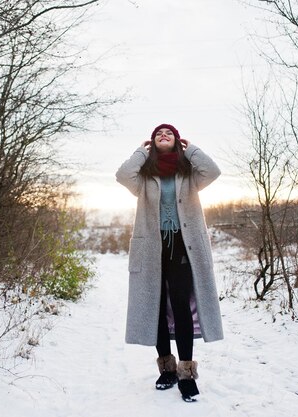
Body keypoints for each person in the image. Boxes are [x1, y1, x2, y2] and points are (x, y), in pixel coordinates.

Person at [115, 123, 224, 402]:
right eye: (158, 134)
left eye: (169, 134)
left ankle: (187, 373)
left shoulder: (188, 173)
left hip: (183, 249)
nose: (164, 136)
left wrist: (192, 149)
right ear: (152, 142)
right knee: (156, 308)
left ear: (177, 141)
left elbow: (212, 170)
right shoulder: (144, 176)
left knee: (180, 305)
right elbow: (122, 175)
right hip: (152, 249)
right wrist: (141, 152)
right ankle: (167, 368)